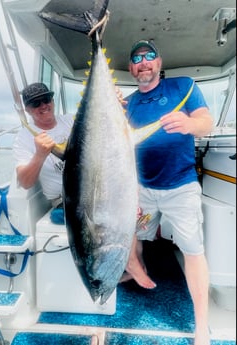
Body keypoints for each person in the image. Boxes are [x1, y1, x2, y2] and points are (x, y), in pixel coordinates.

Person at [121, 40, 213, 345]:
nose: (143, 62)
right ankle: (137, 267)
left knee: (192, 250)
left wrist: (188, 124)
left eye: (149, 56)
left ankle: (201, 326)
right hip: (144, 188)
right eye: (137, 58)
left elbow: (206, 123)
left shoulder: (183, 87)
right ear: (132, 68)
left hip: (181, 188)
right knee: (130, 230)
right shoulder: (131, 103)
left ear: (159, 61)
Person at [13, 82, 74, 221]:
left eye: (46, 99)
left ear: (52, 101)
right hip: (64, 201)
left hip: (93, 191)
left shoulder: (71, 121)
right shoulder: (23, 138)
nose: (43, 106)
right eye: (35, 103)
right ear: (27, 109)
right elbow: (25, 182)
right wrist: (40, 155)